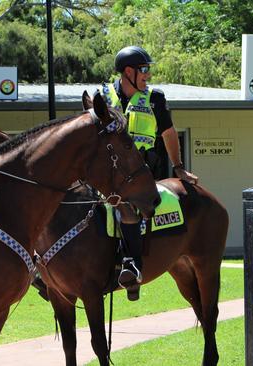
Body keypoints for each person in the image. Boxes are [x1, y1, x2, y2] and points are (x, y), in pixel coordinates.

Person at [99, 45, 198, 300]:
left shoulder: (155, 98)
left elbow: (168, 133)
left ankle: (132, 266)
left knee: (128, 207)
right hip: (105, 174)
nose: (147, 75)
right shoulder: (104, 96)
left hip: (138, 175)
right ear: (128, 72)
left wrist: (178, 168)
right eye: (144, 70)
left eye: (147, 70)